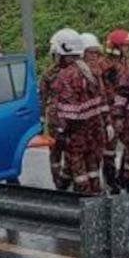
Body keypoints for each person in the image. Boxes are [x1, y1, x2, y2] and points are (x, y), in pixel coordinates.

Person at [48, 31, 106, 195]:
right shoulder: (91, 70)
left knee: (79, 173)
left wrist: (60, 132)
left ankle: (87, 207)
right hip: (94, 131)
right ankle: (99, 199)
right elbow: (101, 101)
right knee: (93, 168)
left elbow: (70, 113)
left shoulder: (65, 76)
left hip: (76, 134)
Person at [40, 28, 79, 190]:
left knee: (61, 153)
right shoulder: (80, 71)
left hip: (65, 121)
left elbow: (42, 98)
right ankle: (64, 183)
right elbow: (42, 97)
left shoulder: (51, 73)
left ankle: (62, 183)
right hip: (67, 121)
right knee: (65, 153)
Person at [104, 28, 129, 193]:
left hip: (127, 114)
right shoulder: (106, 66)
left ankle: (126, 180)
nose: (128, 49)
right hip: (112, 113)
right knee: (109, 149)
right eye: (125, 46)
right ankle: (110, 180)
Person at [80, 32, 116, 191]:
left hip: (96, 124)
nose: (95, 56)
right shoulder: (74, 74)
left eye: (96, 52)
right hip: (79, 127)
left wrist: (107, 122)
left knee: (95, 159)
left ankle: (95, 191)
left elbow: (102, 100)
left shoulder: (97, 73)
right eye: (91, 52)